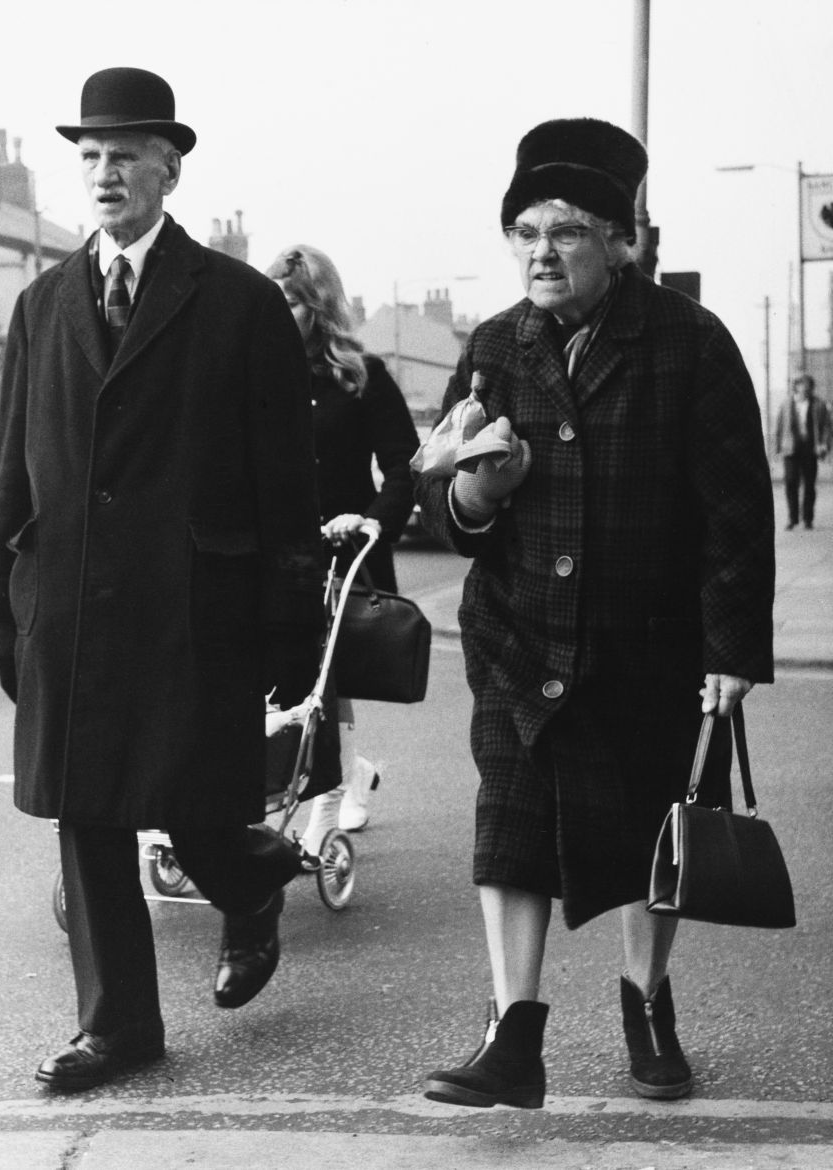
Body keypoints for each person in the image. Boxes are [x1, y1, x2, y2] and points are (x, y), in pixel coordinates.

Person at [413, 118, 775, 1109]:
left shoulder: (688, 343)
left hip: (647, 644)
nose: (541, 252)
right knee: (509, 828)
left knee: (647, 832)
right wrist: (477, 493)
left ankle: (645, 1005)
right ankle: (512, 1038)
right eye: (525, 232)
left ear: (619, 241)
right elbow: (448, 514)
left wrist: (730, 650)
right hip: (518, 634)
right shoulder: (494, 345)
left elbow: (735, 512)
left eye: (566, 231)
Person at [0, 67, 324, 1092]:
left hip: (191, 602)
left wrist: (290, 614)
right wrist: (2, 603)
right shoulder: (42, 306)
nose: (104, 173)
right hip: (70, 599)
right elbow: (15, 464)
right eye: (89, 156)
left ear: (169, 170)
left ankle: (249, 882)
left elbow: (285, 476)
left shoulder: (239, 303)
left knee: (193, 798)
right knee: (86, 811)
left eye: (124, 155)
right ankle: (118, 1027)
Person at [265, 246, 420, 848]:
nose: (282, 313)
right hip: (277, 553)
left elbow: (404, 467)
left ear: (321, 306)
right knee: (290, 682)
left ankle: (326, 809)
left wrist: (372, 519)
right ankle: (351, 771)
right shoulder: (256, 375)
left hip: (344, 550)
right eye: (275, 300)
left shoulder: (362, 376)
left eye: (294, 302)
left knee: (328, 682)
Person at [775, 373, 831, 530]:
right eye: (800, 384)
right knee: (790, 482)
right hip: (790, 449)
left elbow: (827, 427)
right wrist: (778, 448)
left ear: (811, 387)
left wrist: (824, 444)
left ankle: (807, 519)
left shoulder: (818, 404)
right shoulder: (786, 404)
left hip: (810, 449)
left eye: (807, 384)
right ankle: (792, 518)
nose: (804, 388)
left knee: (809, 484)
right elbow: (779, 425)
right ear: (795, 386)